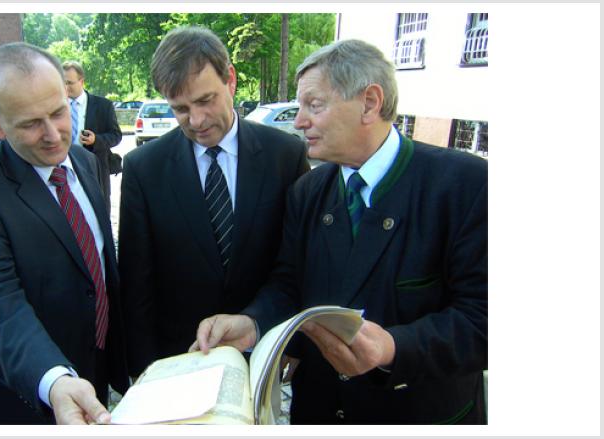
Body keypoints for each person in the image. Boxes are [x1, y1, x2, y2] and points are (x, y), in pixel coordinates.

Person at [192, 39, 487, 424]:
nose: (299, 121)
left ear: (369, 103)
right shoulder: (307, 192)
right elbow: (288, 285)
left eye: (314, 105)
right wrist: (251, 324)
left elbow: (483, 319)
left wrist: (394, 347)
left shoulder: (464, 185)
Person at [0, 42, 129, 425]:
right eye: (29, 123)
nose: (54, 134)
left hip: (95, 375)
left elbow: (100, 267)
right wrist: (54, 379)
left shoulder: (84, 160)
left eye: (59, 112)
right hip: (29, 396)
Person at [118, 26, 310, 378]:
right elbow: (137, 285)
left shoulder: (285, 155)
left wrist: (288, 340)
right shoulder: (144, 168)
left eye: (206, 100)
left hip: (259, 355)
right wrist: (142, 374)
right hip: (176, 362)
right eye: (180, 109)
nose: (196, 120)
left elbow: (298, 265)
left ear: (231, 80)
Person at [62, 60, 122, 211]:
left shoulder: (103, 106)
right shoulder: (56, 106)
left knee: (99, 212)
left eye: (69, 83)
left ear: (82, 81)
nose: (65, 87)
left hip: (96, 168)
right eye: (63, 82)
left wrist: (96, 140)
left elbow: (116, 135)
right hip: (64, 169)